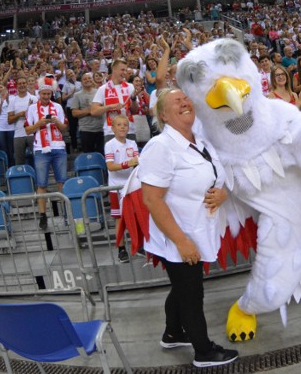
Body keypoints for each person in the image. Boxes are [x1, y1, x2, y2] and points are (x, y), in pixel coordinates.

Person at [139, 88, 238, 368]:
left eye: (185, 99)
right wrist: (181, 241)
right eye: (175, 102)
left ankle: (173, 333)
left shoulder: (201, 140)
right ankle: (204, 351)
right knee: (192, 293)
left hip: (199, 228)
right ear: (163, 115)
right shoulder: (161, 147)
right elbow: (151, 198)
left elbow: (218, 175)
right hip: (177, 234)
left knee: (183, 287)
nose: (184, 103)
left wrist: (223, 193)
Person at [24, 82, 68, 230]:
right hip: (40, 148)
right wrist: (39, 124)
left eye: (48, 94)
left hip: (58, 147)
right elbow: (28, 130)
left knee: (62, 181)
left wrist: (56, 121)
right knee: (41, 183)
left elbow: (64, 128)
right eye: (44, 94)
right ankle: (43, 215)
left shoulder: (58, 107)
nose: (46, 96)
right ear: (39, 94)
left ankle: (66, 212)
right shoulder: (31, 108)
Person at [105, 115, 139, 263]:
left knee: (137, 215)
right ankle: (121, 249)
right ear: (113, 128)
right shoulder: (110, 144)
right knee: (119, 219)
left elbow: (138, 163)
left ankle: (140, 245)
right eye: (119, 125)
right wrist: (127, 164)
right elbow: (110, 166)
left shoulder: (132, 143)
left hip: (131, 186)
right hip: (116, 187)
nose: (123, 127)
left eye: (125, 124)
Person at [90, 59, 138, 143]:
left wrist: (133, 100)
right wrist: (111, 106)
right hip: (111, 132)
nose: (124, 72)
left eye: (126, 70)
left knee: (132, 156)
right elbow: (94, 111)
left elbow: (135, 110)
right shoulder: (103, 89)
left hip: (129, 130)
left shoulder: (130, 87)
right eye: (122, 70)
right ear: (114, 69)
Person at [70, 73, 104, 154]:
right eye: (85, 79)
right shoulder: (77, 95)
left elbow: (104, 107)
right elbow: (74, 113)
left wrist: (97, 110)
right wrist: (90, 111)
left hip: (101, 129)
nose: (87, 80)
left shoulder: (100, 92)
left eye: (89, 78)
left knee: (102, 155)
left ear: (92, 80)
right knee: (89, 155)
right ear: (81, 82)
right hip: (86, 130)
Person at [8, 77, 38, 166]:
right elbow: (9, 120)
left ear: (27, 84)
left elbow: (38, 116)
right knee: (19, 162)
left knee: (38, 160)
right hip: (18, 134)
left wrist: (30, 113)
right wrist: (19, 115)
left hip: (33, 133)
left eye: (24, 83)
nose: (22, 85)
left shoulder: (34, 98)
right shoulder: (12, 100)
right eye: (20, 83)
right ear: (17, 86)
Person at [0, 83, 15, 168]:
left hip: (11, 126)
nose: (0, 89)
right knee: (3, 149)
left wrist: (7, 99)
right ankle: (5, 168)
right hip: (0, 128)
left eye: (1, 87)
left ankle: (12, 167)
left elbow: (13, 110)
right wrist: (1, 103)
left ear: (5, 88)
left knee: (11, 149)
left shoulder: (13, 98)